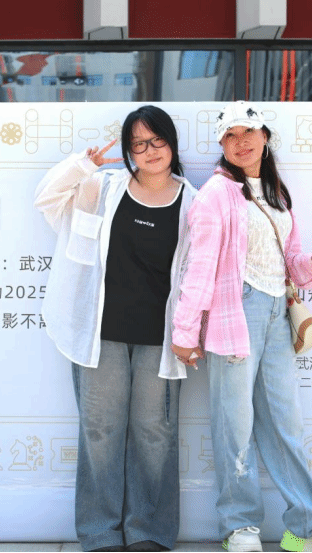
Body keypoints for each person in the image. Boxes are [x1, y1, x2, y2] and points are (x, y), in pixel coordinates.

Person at [171, 101, 312, 553]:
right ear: (222, 145)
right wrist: (184, 332)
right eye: (230, 135)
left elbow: (287, 257)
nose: (241, 142)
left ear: (265, 137)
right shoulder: (216, 193)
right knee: (234, 424)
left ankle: (306, 529)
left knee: (285, 423)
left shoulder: (276, 192)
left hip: (276, 312)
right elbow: (200, 267)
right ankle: (240, 526)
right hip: (236, 311)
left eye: (248, 132)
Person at [34, 105, 197, 552]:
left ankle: (149, 531)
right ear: (128, 150)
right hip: (99, 333)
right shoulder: (102, 188)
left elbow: (201, 272)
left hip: (160, 339)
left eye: (157, 140)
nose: (150, 150)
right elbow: (46, 199)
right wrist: (82, 164)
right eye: (139, 143)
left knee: (155, 433)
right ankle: (100, 532)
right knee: (100, 431)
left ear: (171, 143)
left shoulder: (193, 202)